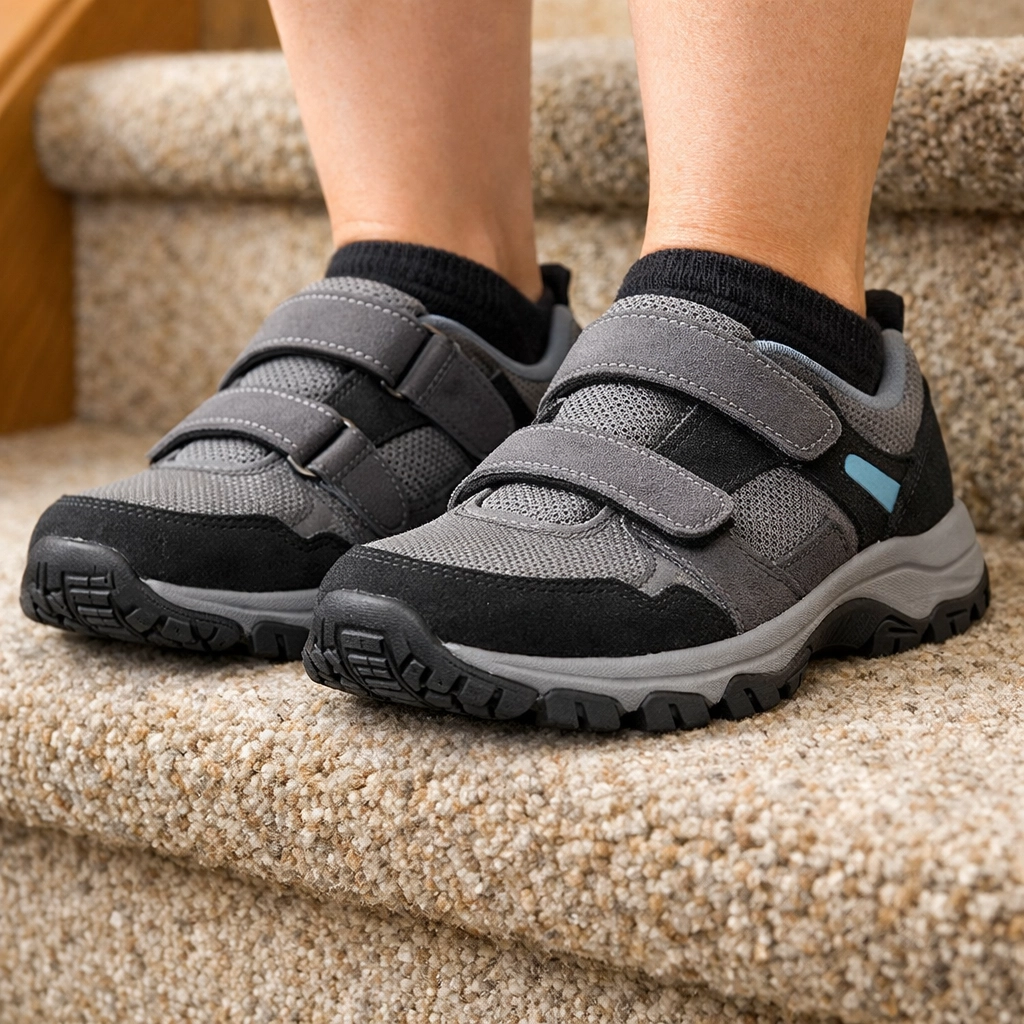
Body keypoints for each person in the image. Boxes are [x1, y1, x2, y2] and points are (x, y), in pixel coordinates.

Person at [23, 1, 988, 731]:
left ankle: (779, 307)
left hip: (830, 446)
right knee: (425, 245)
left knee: (753, 269)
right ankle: (441, 278)